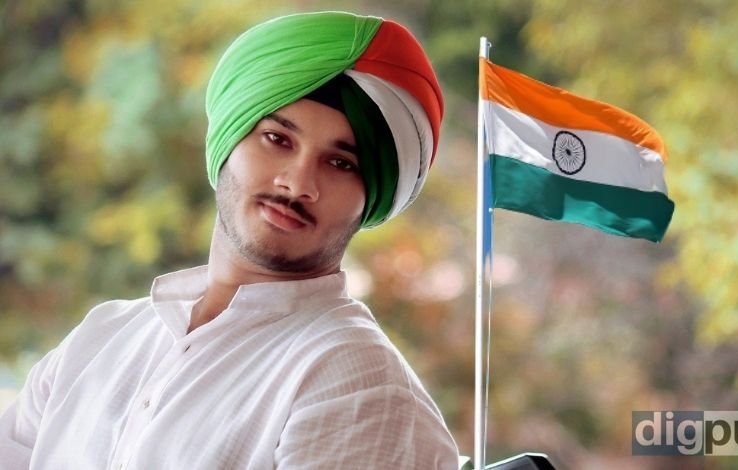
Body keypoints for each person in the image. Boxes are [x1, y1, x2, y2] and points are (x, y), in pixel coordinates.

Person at [0, 11, 459, 469]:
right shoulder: (104, 338)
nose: (297, 183)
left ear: (369, 198)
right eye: (277, 138)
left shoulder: (359, 384)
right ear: (225, 143)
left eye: (341, 164)